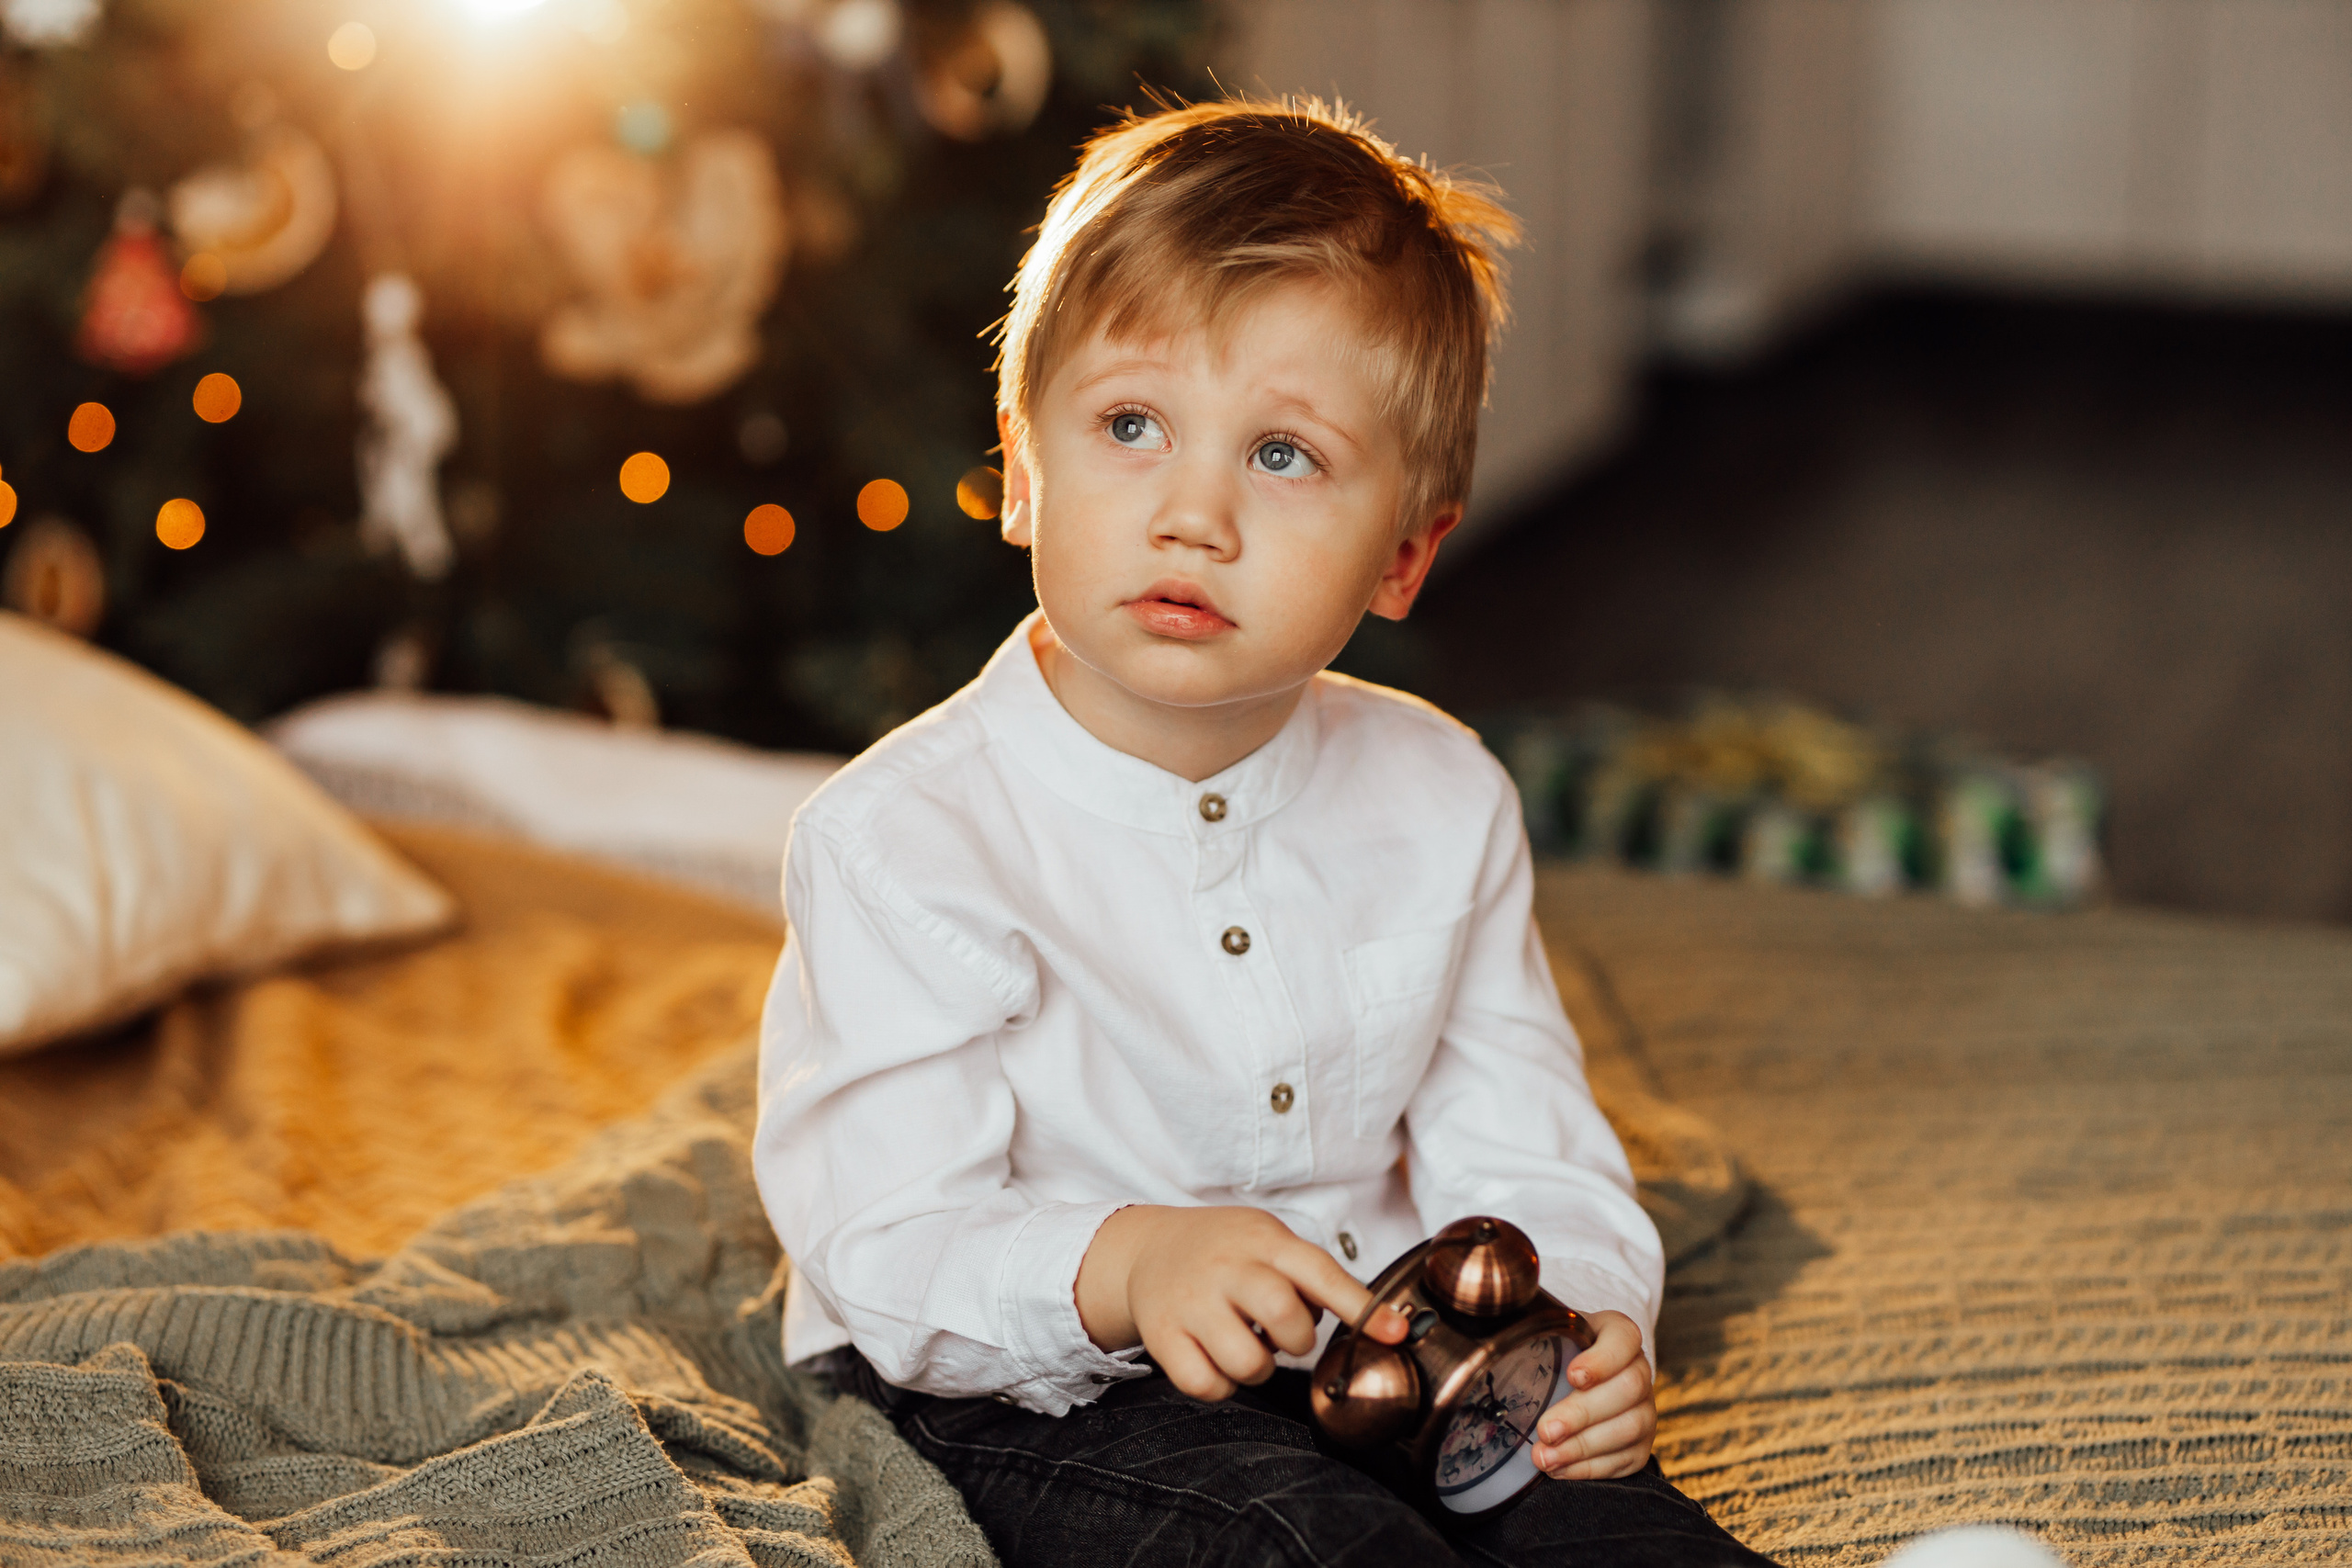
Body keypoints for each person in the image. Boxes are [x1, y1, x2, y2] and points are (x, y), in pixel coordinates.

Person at [752, 96, 1778, 1566]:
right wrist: (1122, 1264)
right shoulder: (900, 840)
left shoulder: (1441, 797)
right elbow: (887, 1237)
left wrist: (1594, 1314)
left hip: (1374, 1337)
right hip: (1021, 1370)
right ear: (1022, 464)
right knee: (1295, 1540)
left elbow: (1524, 1140)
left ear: (1406, 553)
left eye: (1283, 456)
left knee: (1606, 1521)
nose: (1195, 515)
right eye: (1130, 426)